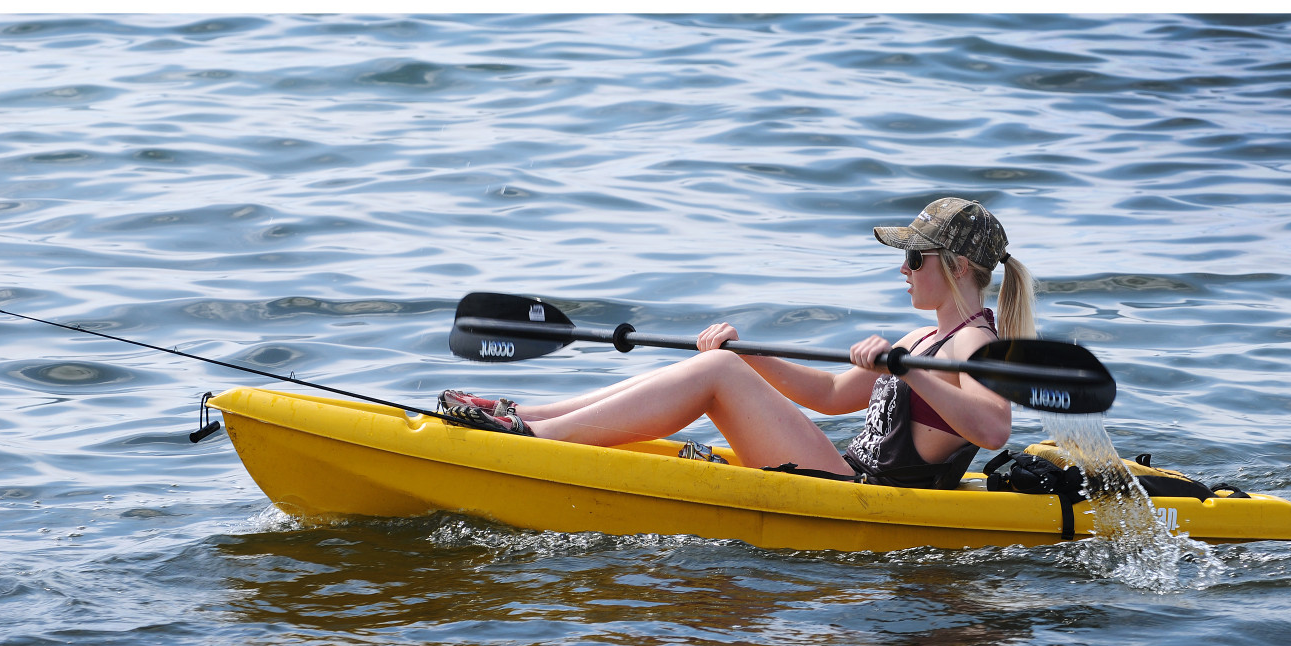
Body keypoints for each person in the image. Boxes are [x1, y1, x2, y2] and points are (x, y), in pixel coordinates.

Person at [441, 197, 1037, 489]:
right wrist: (746, 350)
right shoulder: (925, 336)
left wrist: (908, 372)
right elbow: (829, 394)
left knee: (718, 378)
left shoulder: (974, 344)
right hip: (846, 472)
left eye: (914, 256)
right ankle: (526, 414)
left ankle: (534, 441)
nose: (902, 269)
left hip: (869, 494)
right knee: (726, 367)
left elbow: (993, 429)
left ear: (959, 266)